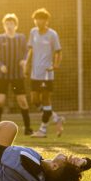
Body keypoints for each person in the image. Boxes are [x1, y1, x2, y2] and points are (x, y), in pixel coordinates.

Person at [24, 8, 65, 138]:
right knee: (35, 100)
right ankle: (56, 118)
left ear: (46, 20)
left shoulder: (52, 34)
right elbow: (30, 50)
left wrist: (56, 65)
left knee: (46, 100)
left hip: (47, 73)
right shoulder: (33, 32)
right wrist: (26, 64)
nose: (38, 21)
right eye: (36, 19)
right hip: (35, 73)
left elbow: (59, 52)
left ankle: (43, 130)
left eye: (41, 19)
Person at [0, 13, 33, 135]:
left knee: (22, 101)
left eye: (11, 23)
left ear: (16, 25)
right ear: (4, 25)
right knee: (0, 101)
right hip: (3, 76)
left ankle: (28, 128)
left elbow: (27, 52)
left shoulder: (21, 38)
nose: (9, 26)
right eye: (7, 24)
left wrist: (24, 60)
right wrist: (0, 65)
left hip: (17, 76)